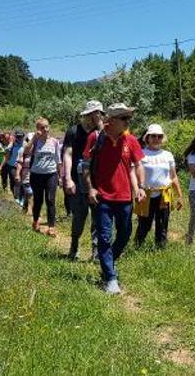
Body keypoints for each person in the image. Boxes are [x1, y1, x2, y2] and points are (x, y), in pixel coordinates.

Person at [82, 103, 146, 295]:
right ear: (112, 120)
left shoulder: (131, 140)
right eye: (124, 118)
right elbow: (85, 167)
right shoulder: (95, 138)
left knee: (125, 234)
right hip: (102, 197)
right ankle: (110, 278)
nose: (128, 122)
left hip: (125, 197)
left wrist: (140, 188)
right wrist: (90, 189)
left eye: (129, 118)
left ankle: (107, 262)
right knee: (104, 237)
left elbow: (137, 165)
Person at [63, 100, 104, 261]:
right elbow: (67, 154)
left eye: (98, 113)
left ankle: (95, 251)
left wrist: (99, 124)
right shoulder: (74, 131)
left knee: (98, 217)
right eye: (91, 114)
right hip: (76, 180)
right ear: (85, 115)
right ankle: (74, 245)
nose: (94, 117)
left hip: (98, 182)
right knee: (79, 217)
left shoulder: (102, 133)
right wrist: (67, 178)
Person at [134, 124, 183, 248]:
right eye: (153, 136)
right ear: (147, 138)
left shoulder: (167, 155)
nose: (156, 138)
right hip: (146, 194)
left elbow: (173, 176)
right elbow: (134, 174)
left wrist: (180, 196)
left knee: (162, 223)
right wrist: (136, 190)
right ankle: (137, 246)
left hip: (164, 194)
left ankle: (160, 248)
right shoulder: (141, 153)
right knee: (145, 224)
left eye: (159, 136)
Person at [19, 118, 61, 237]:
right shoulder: (35, 142)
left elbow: (58, 160)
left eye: (47, 126)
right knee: (38, 200)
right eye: (42, 127)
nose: (45, 129)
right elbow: (25, 151)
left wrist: (60, 176)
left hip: (51, 174)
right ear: (37, 129)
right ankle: (36, 221)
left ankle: (51, 227)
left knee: (50, 200)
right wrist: (33, 138)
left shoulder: (54, 142)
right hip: (36, 175)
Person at [0, 130, 24, 202]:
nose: (19, 138)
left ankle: (20, 198)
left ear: (23, 137)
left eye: (21, 137)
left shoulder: (25, 144)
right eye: (18, 137)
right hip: (12, 166)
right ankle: (16, 197)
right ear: (15, 137)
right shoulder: (13, 144)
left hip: (22, 166)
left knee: (21, 183)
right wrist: (11, 143)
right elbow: (7, 151)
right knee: (14, 182)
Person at [16, 132, 34, 214]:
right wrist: (17, 174)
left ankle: (25, 206)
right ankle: (30, 209)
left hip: (36, 174)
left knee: (30, 192)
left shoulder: (38, 151)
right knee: (29, 191)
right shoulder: (22, 151)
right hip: (26, 173)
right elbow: (19, 164)